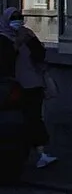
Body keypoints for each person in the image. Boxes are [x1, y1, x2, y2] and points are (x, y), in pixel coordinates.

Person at [1, 9, 51, 170]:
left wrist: (31, 40)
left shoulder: (27, 34)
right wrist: (16, 44)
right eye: (13, 18)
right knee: (24, 119)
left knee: (34, 116)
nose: (17, 21)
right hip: (12, 87)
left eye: (19, 17)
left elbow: (39, 56)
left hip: (32, 83)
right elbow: (5, 62)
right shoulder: (3, 39)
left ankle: (41, 153)